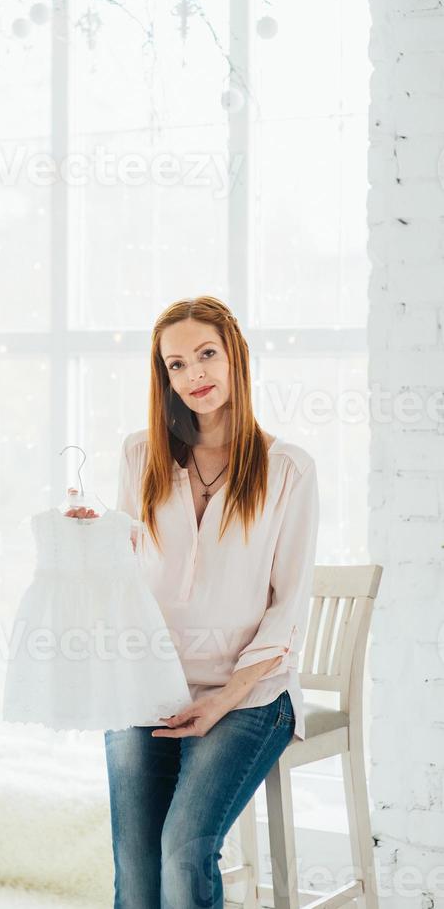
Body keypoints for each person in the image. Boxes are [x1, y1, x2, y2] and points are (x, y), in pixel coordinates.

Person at [67, 295, 320, 909]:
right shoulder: (141, 455)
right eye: (176, 365)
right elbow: (125, 576)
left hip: (249, 694)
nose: (194, 375)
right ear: (164, 377)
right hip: (148, 683)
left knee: (183, 845)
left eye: (206, 354)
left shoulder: (288, 468)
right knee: (136, 854)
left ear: (235, 356)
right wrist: (91, 540)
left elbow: (289, 608)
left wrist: (223, 703)